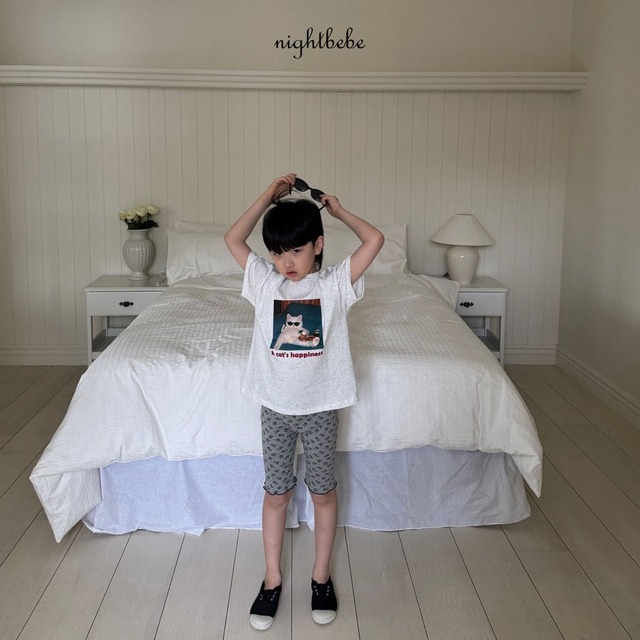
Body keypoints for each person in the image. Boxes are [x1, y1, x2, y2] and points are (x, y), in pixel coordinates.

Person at [224, 173, 384, 631]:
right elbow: (233, 238)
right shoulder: (263, 282)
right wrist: (267, 196)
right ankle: (272, 578)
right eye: (277, 252)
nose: (285, 262)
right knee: (276, 493)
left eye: (295, 250)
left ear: (318, 245)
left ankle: (320, 576)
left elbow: (375, 239)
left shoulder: (335, 285)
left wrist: (338, 211)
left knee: (322, 491)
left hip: (321, 408)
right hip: (274, 408)